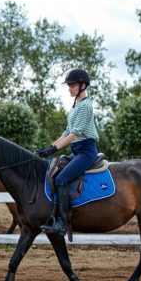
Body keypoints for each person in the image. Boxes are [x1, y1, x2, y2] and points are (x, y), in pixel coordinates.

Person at [35, 68, 99, 235]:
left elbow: (74, 134)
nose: (69, 88)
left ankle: (62, 223)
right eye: (69, 85)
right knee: (54, 174)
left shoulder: (85, 106)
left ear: (83, 86)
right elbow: (66, 132)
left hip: (86, 151)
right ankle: (54, 216)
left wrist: (53, 149)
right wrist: (49, 147)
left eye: (72, 85)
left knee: (61, 179)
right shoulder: (75, 106)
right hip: (77, 150)